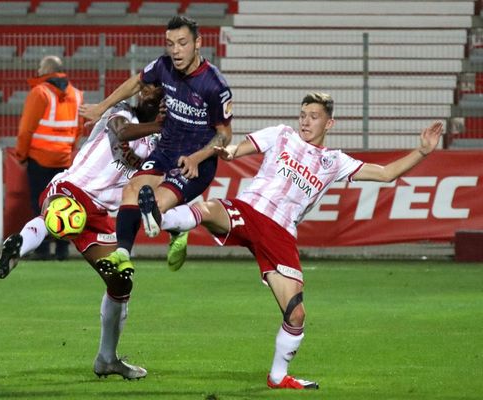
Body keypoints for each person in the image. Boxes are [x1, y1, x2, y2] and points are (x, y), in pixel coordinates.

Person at [138, 92, 444, 389]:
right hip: (252, 209)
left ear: (330, 124)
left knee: (296, 314)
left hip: (281, 233)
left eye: (313, 117)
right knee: (207, 209)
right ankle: (160, 219)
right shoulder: (281, 134)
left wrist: (422, 152)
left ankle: (278, 376)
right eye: (303, 115)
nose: (305, 122)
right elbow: (235, 151)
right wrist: (222, 150)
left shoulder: (335, 161)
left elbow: (386, 173)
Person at [0, 84, 164, 380]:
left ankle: (107, 359)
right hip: (73, 188)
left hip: (99, 214)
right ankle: (18, 246)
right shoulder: (120, 112)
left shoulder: (158, 145)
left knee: (121, 281)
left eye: (154, 92)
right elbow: (122, 132)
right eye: (145, 88)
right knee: (61, 216)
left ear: (166, 103)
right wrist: (160, 124)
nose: (145, 94)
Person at [80, 15, 233, 273]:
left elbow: (225, 134)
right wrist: (101, 107)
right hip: (165, 152)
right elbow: (137, 82)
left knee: (155, 205)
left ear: (198, 43)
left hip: (195, 163)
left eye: (182, 43)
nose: (175, 50)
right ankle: (122, 253)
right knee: (132, 191)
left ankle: (179, 223)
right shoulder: (163, 66)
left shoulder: (215, 85)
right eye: (170, 43)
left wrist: (197, 157)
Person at [15, 55, 85, 261]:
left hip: (39, 158)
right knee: (62, 203)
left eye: (39, 66)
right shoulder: (77, 94)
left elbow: (26, 129)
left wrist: (21, 154)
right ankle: (62, 249)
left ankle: (43, 248)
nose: (37, 69)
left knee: (40, 204)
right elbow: (78, 128)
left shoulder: (40, 92)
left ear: (46, 69)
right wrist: (69, 150)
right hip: (64, 159)